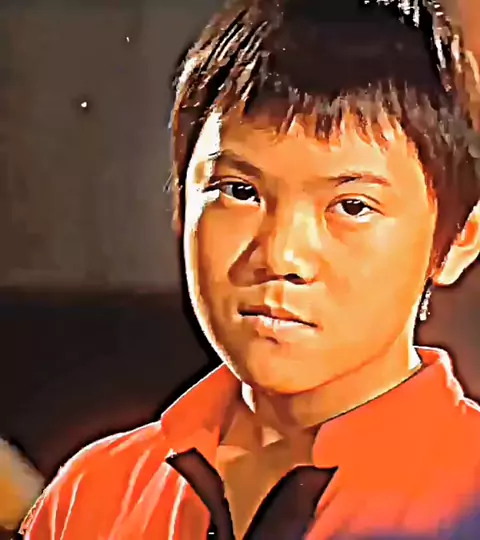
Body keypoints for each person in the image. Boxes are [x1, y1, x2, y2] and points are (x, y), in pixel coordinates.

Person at [20, 0, 480, 538]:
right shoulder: (93, 493)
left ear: (459, 241)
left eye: (352, 206)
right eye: (240, 192)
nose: (281, 257)